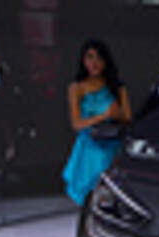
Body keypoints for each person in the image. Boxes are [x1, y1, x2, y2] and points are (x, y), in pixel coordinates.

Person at [62, 39, 131, 206]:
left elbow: (128, 118)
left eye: (99, 58)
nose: (94, 63)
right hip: (90, 144)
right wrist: (104, 115)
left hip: (113, 144)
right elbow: (76, 124)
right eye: (90, 57)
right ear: (83, 61)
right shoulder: (76, 88)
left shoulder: (117, 87)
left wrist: (117, 114)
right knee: (91, 195)